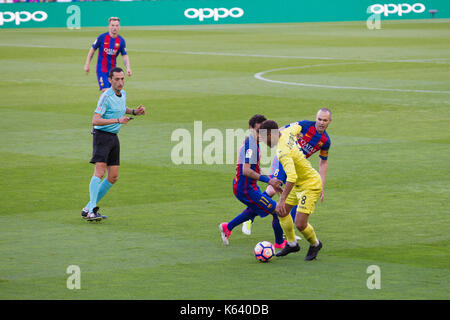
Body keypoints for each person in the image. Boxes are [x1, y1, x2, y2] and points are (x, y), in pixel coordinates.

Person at [242, 108, 332, 236]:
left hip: (296, 166)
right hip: (282, 160)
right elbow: (282, 129)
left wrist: (321, 185)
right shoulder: (305, 125)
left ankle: (288, 232)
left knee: (295, 195)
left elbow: (323, 163)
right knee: (273, 189)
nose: (321, 122)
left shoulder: (325, 141)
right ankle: (249, 217)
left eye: (325, 120)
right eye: (319, 119)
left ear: (329, 121)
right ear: (315, 118)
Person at [81, 67, 145, 221]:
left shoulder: (123, 94)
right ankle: (91, 211)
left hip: (113, 137)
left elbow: (121, 109)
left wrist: (135, 112)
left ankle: (88, 207)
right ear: (110, 80)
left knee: (113, 177)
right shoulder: (105, 96)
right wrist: (118, 120)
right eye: (117, 79)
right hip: (102, 136)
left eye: (122, 79)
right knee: (100, 172)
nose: (120, 82)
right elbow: (95, 120)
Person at [219, 117, 283, 246]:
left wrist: (270, 178)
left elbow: (256, 169)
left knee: (255, 209)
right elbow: (246, 171)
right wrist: (269, 181)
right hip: (246, 189)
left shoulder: (253, 142)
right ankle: (280, 243)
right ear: (250, 129)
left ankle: (228, 227)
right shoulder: (252, 146)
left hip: (248, 187)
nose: (261, 134)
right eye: (258, 130)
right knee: (277, 211)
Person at [273, 122, 323, 260]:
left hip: (310, 184)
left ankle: (315, 244)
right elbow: (298, 127)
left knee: (300, 223)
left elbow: (292, 177)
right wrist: (298, 134)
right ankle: (292, 243)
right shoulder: (288, 132)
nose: (264, 141)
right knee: (281, 212)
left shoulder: (282, 152)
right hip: (299, 184)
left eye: (265, 137)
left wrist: (282, 199)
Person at [84, 17, 132, 92]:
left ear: (119, 27)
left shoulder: (121, 41)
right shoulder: (102, 37)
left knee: (112, 92)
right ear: (109, 26)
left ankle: (101, 104)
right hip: (101, 70)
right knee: (106, 91)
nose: (114, 28)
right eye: (112, 25)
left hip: (113, 71)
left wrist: (128, 68)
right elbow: (92, 50)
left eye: (116, 25)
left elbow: (124, 55)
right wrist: (87, 64)